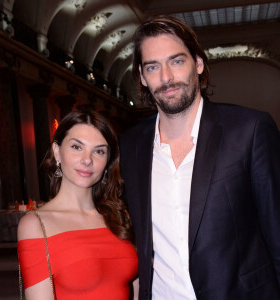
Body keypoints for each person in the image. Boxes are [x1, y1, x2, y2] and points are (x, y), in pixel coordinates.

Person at [119, 15, 280, 300]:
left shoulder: (249, 130)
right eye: (153, 67)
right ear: (143, 78)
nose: (166, 77)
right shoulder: (131, 145)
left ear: (199, 64)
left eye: (177, 61)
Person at [18, 110, 138, 299]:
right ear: (57, 152)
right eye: (76, 147)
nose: (87, 160)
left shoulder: (119, 215)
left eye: (99, 151)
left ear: (107, 162)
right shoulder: (35, 224)